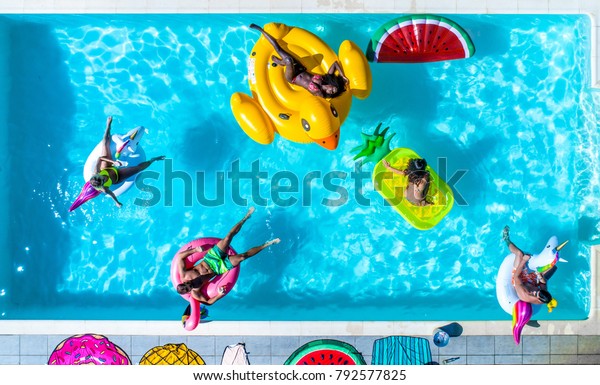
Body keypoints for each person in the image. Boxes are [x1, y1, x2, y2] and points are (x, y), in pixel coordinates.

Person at [176, 207, 280, 305]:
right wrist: (220, 294)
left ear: (184, 282)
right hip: (219, 268)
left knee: (227, 238)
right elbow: (208, 302)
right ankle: (267, 244)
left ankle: (246, 217)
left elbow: (180, 257)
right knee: (242, 257)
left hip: (210, 259)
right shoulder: (195, 292)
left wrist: (195, 250)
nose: (191, 284)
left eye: (188, 283)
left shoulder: (184, 274)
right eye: (190, 287)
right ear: (189, 291)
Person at [249, 23, 349, 99]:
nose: (330, 90)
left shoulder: (320, 94)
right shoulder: (325, 78)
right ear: (332, 85)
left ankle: (283, 62)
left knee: (288, 60)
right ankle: (260, 29)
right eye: (333, 88)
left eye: (331, 92)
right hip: (300, 68)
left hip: (292, 77)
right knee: (278, 48)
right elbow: (335, 64)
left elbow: (318, 104)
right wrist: (343, 75)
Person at [88, 116, 165, 207]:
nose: (103, 177)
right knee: (138, 168)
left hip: (106, 167)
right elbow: (112, 194)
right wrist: (117, 202)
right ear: (103, 183)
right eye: (103, 179)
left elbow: (100, 158)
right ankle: (154, 159)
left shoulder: (96, 172)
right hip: (117, 176)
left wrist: (113, 162)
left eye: (101, 176)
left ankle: (108, 125)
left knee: (105, 143)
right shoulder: (104, 188)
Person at [502, 226, 555, 306]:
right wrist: (540, 277)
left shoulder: (525, 293)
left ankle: (506, 239)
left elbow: (516, 276)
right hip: (531, 282)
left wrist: (524, 260)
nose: (535, 291)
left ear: (538, 299)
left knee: (520, 254)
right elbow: (543, 284)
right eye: (538, 291)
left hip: (520, 280)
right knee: (553, 267)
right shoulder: (543, 295)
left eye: (535, 294)